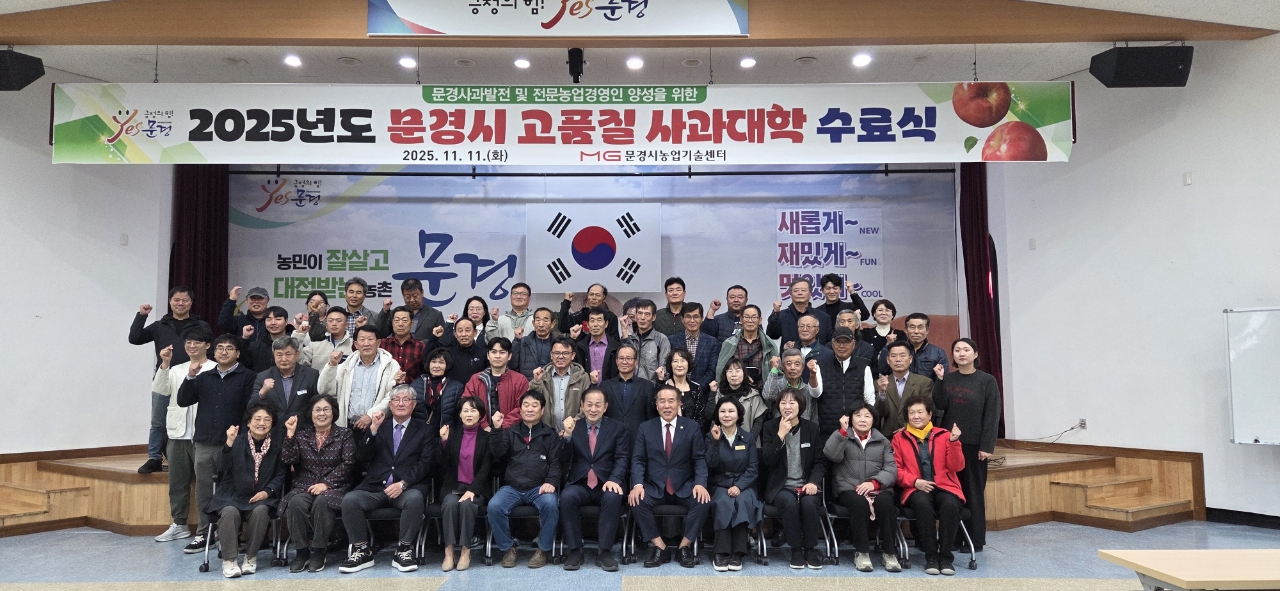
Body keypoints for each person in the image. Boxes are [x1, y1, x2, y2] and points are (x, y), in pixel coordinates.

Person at [340, 387, 438, 574]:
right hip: (376, 487)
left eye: (406, 400)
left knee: (415, 499)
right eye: (396, 400)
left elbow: (426, 463)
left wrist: (403, 484)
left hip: (407, 488)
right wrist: (372, 430)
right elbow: (362, 456)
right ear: (390, 404)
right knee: (350, 500)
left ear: (414, 404)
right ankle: (362, 551)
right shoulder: (379, 426)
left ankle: (404, 550)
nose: (400, 403)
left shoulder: (425, 429)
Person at [176, 334, 256, 555]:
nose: (223, 352)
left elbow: (250, 410)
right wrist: (190, 377)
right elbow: (183, 400)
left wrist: (241, 440)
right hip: (205, 441)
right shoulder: (204, 376)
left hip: (234, 443)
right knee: (204, 489)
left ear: (237, 353)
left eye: (229, 348)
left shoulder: (248, 377)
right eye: (220, 348)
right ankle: (204, 534)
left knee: (233, 488)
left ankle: (230, 535)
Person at [130, 286, 212, 473]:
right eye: (176, 300)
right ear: (170, 302)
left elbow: (211, 349)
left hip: (193, 377)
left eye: (185, 300)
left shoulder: (201, 325)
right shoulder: (160, 325)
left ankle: (194, 457)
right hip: (165, 377)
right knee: (158, 421)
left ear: (191, 302)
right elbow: (135, 338)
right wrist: (141, 316)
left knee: (193, 418)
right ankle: (154, 457)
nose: (180, 303)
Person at [628, 386, 711, 569]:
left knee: (703, 501)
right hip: (654, 486)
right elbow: (638, 459)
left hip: (684, 485)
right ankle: (660, 547)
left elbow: (699, 459)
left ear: (679, 404)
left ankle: (684, 547)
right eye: (662, 401)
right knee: (636, 500)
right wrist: (638, 484)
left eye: (671, 401)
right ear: (656, 405)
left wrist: (700, 483)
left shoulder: (691, 427)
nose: (667, 405)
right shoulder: (645, 428)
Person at [933, 338, 1001, 552]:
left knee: (973, 492)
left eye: (966, 350)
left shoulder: (987, 380)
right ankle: (952, 538)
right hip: (949, 444)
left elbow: (992, 414)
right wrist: (940, 381)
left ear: (975, 354)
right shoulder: (947, 378)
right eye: (957, 350)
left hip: (974, 446)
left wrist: (987, 446)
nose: (961, 353)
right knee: (951, 492)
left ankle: (975, 539)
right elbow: (939, 404)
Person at [150, 330, 216, 544]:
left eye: (197, 342)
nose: (192, 346)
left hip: (204, 435)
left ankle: (209, 528)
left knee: (207, 484)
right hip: (177, 433)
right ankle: (179, 524)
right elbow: (160, 390)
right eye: (188, 342)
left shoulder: (215, 368)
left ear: (207, 345)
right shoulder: (176, 369)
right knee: (177, 483)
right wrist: (165, 364)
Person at [891, 393, 965, 576]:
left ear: (930, 414)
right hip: (915, 488)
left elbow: (957, 466)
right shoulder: (899, 438)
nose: (916, 416)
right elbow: (895, 469)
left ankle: (945, 558)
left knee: (950, 505)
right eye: (911, 413)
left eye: (920, 412)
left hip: (945, 486)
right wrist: (915, 481)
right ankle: (931, 557)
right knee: (923, 505)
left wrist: (954, 443)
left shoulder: (945, 435)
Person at [208, 403, 285, 578]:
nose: (262, 423)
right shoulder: (237, 441)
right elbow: (220, 467)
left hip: (261, 495)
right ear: (249, 423)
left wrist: (267, 492)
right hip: (232, 494)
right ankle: (229, 560)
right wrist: (229, 443)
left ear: (272, 424)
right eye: (257, 419)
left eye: (267, 419)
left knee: (261, 511)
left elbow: (280, 475)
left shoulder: (277, 446)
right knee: (229, 512)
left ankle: (250, 557)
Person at [823, 400, 901, 573]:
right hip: (848, 488)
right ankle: (862, 552)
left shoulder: (883, 441)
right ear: (850, 419)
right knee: (859, 503)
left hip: (877, 487)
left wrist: (874, 483)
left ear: (874, 420)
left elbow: (891, 468)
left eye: (867, 416)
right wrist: (842, 432)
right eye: (858, 415)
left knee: (887, 502)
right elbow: (831, 455)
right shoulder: (843, 435)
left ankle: (890, 553)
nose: (862, 419)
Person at [281, 394, 355, 573]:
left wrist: (327, 484)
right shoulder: (302, 435)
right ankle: (302, 551)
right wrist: (290, 435)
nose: (322, 414)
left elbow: (348, 463)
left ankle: (320, 551)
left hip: (336, 486)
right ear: (311, 413)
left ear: (333, 412)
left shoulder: (344, 434)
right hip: (305, 485)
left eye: (326, 409)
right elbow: (288, 459)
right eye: (317, 410)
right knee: (296, 503)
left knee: (323, 501)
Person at [557, 388, 629, 572]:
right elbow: (563, 458)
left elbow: (622, 458)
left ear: (605, 407)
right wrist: (567, 436)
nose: (593, 409)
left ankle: (604, 551)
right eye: (589, 404)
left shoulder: (617, 428)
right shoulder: (574, 426)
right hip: (580, 483)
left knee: (613, 496)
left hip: (606, 482)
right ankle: (575, 551)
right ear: (582, 405)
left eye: (598, 405)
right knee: (567, 497)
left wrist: (614, 479)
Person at [488, 391, 561, 569]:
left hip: (539, 487)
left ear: (542, 410)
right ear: (519, 410)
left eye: (535, 405)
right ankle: (508, 548)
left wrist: (551, 482)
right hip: (513, 487)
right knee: (494, 506)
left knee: (551, 505)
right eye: (526, 405)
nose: (530, 409)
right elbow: (497, 453)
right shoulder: (510, 432)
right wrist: (496, 429)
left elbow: (556, 463)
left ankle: (543, 549)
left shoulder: (549, 434)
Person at [760, 388, 827, 570]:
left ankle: (810, 550)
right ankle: (796, 550)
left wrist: (813, 482)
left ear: (800, 405)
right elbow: (768, 460)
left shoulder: (812, 428)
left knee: (809, 504)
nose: (787, 406)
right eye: (783, 402)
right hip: (781, 487)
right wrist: (780, 435)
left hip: (807, 485)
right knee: (788, 503)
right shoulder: (770, 427)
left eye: (792, 402)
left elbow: (820, 462)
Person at [705, 397, 762, 572]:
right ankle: (721, 552)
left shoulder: (748, 437)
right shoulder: (710, 436)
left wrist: (739, 486)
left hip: (744, 484)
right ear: (717, 415)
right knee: (723, 502)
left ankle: (738, 553)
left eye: (731, 411)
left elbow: (753, 468)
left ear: (738, 415)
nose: (726, 415)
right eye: (722, 411)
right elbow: (710, 465)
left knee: (742, 502)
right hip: (719, 484)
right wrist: (716, 443)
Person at [438, 396, 492, 573]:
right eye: (465, 410)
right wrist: (443, 443)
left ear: (481, 415)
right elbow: (441, 465)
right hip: (453, 488)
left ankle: (465, 551)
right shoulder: (452, 435)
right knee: (450, 505)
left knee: (468, 505)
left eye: (473, 410)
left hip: (476, 489)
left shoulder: (486, 437)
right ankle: (448, 552)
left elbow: (486, 468)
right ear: (460, 414)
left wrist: (473, 490)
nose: (469, 414)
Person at [318, 325, 400, 430]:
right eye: (362, 340)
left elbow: (392, 395)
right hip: (348, 425)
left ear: (378, 343)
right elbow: (324, 390)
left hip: (378, 424)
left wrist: (371, 415)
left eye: (370, 339)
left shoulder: (391, 365)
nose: (366, 343)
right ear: (356, 344)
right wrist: (332, 365)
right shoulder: (345, 366)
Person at [810, 327, 875, 442]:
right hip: (827, 429)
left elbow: (869, 400)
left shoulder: (864, 367)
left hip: (856, 429)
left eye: (846, 342)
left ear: (853, 344)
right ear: (832, 344)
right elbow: (815, 393)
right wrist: (812, 375)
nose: (842, 346)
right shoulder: (821, 365)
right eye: (838, 342)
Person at [460, 337, 530, 430]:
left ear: (509, 356)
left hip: (510, 432)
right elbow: (466, 403)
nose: (497, 356)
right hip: (480, 432)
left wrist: (502, 426)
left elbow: (522, 407)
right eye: (493, 352)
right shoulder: (476, 379)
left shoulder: (520, 380)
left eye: (502, 352)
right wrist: (484, 425)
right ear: (488, 355)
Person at [249, 336, 319, 425]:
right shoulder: (263, 376)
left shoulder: (311, 375)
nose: (284, 359)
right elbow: (251, 406)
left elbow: (317, 404)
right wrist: (263, 391)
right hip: (274, 428)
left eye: (288, 354)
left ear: (297, 354)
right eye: (279, 355)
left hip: (302, 428)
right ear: (274, 355)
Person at [599, 344, 657, 443]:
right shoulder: (605, 386)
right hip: (611, 440)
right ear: (616, 361)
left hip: (638, 440)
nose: (624, 362)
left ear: (635, 362)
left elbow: (651, 418)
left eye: (629, 358)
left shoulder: (647, 386)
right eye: (621, 358)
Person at [529, 336, 591, 427]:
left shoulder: (582, 377)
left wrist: (573, 424)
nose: (560, 357)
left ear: (573, 355)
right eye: (556, 353)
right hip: (546, 431)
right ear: (551, 355)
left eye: (565, 353)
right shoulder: (541, 376)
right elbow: (531, 402)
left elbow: (587, 406)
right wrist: (536, 382)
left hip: (574, 429)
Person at [706, 358, 769, 446]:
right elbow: (710, 416)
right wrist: (712, 393)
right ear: (725, 374)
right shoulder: (718, 393)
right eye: (730, 371)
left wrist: (749, 440)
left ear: (744, 374)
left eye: (737, 371)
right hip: (722, 443)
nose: (734, 374)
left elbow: (758, 422)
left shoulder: (753, 395)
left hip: (749, 444)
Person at [875, 341, 932, 438]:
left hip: (915, 435)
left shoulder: (924, 383)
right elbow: (879, 413)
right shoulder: (879, 383)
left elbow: (927, 412)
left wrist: (907, 427)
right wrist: (882, 393)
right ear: (888, 360)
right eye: (893, 356)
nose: (898, 359)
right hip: (888, 437)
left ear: (910, 359)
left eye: (902, 355)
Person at [715, 304, 775, 390]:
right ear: (741, 319)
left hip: (761, 392)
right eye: (746, 317)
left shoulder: (769, 344)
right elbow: (721, 369)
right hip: (734, 392)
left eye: (754, 317)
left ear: (760, 320)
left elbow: (777, 371)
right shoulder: (729, 343)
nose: (750, 320)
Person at [877, 312, 949, 382]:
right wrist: (888, 346)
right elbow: (883, 370)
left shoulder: (938, 353)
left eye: (920, 327)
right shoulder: (897, 350)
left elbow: (943, 379)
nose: (916, 331)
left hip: (928, 389)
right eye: (912, 327)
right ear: (906, 330)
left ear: (927, 330)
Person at [409, 348, 464, 432]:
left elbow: (459, 417)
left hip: (444, 435)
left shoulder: (456, 387)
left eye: (441, 362)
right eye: (433, 362)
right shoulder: (417, 384)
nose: (436, 366)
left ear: (447, 365)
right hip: (419, 434)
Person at [767, 278, 833, 346]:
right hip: (789, 352)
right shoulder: (782, 315)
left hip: (817, 353)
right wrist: (776, 313)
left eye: (803, 290)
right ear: (790, 294)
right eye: (796, 291)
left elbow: (829, 342)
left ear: (810, 294)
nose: (800, 293)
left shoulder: (823, 317)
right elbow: (772, 335)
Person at [668, 303, 721, 388]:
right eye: (688, 317)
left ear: (702, 319)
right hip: (676, 390)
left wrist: (695, 388)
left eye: (696, 317)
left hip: (702, 391)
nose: (692, 321)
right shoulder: (672, 340)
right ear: (682, 319)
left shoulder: (712, 342)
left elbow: (712, 371)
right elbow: (669, 367)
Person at [762, 349, 821, 422]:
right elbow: (768, 396)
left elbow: (814, 416)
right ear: (783, 367)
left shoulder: (807, 389)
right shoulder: (776, 385)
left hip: (803, 428)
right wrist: (774, 369)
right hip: (780, 427)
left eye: (797, 364)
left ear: (802, 367)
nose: (792, 368)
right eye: (788, 364)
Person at [621, 299, 671, 382]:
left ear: (653, 317)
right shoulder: (629, 339)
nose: (643, 318)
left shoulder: (661, 339)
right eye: (640, 313)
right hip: (631, 385)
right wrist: (624, 331)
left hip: (652, 386)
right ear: (636, 316)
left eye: (647, 314)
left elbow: (665, 370)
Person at [664, 348, 711, 434]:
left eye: (683, 361)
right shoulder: (664, 387)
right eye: (675, 361)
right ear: (670, 365)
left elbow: (700, 418)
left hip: (692, 435)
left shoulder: (696, 388)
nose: (679, 365)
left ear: (688, 363)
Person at [385, 278, 444, 345]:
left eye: (415, 296)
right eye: (408, 297)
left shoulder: (436, 315)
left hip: (425, 350)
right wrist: (384, 311)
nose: (412, 300)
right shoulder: (395, 314)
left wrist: (423, 343)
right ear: (403, 295)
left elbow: (443, 340)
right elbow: (381, 333)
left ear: (422, 293)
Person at [240, 306, 295, 373]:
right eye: (269, 320)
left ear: (286, 321)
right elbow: (244, 364)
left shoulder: (295, 344)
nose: (273, 323)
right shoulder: (256, 346)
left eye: (278, 319)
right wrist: (245, 339)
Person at [382, 306, 427, 386]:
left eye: (405, 320)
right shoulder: (382, 344)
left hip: (411, 390)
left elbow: (424, 374)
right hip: (386, 390)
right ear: (392, 323)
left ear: (412, 323)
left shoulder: (421, 347)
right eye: (396, 320)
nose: (400, 324)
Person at [575, 307, 620, 385]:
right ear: (588, 325)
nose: (595, 325)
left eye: (599, 320)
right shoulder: (580, 347)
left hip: (610, 390)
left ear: (606, 324)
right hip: (587, 390)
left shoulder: (616, 347)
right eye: (592, 321)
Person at [437, 317, 489, 384]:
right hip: (452, 390)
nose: (464, 334)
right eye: (460, 331)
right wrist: (434, 338)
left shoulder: (484, 354)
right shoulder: (448, 354)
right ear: (455, 334)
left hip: (476, 390)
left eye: (467, 330)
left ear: (475, 332)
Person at [511, 307, 556, 380]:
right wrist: (517, 341)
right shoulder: (523, 342)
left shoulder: (558, 344)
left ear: (552, 324)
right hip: (528, 384)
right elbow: (512, 366)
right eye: (538, 320)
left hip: (551, 384)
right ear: (533, 323)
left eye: (545, 320)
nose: (541, 324)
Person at [859, 299, 908, 366]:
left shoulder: (900, 334)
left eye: (887, 310)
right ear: (874, 314)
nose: (884, 313)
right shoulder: (865, 333)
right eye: (880, 310)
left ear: (892, 315)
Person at [834, 309, 880, 376]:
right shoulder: (829, 347)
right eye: (842, 322)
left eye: (850, 321)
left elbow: (874, 374)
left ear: (857, 325)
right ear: (837, 326)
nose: (846, 325)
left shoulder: (868, 349)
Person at [794, 314, 833, 382]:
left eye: (809, 326)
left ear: (817, 330)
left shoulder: (827, 354)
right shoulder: (791, 352)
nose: (804, 329)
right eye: (801, 326)